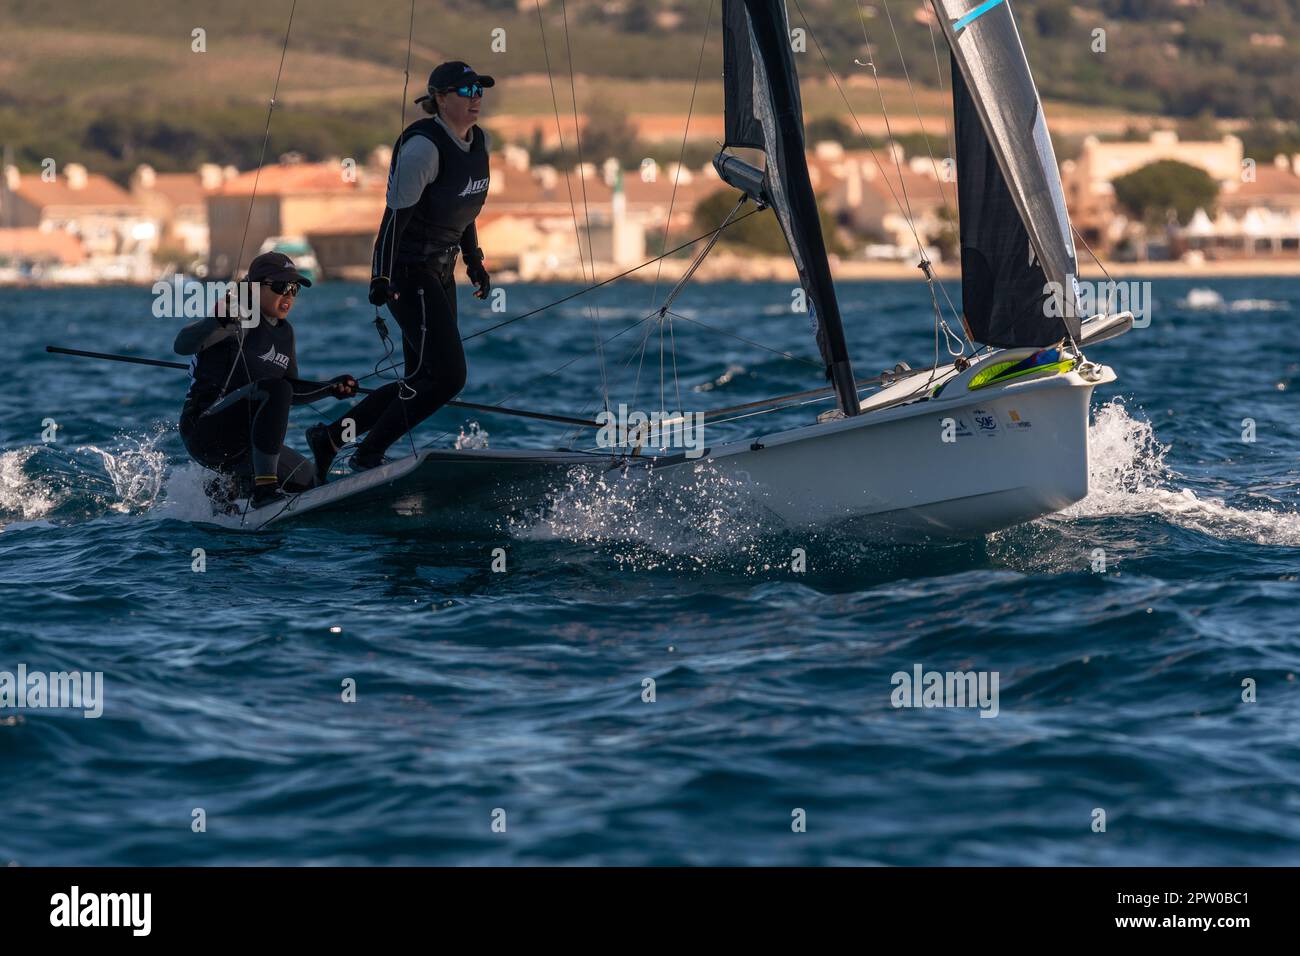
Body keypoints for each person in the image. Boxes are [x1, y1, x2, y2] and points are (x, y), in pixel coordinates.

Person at [306, 60, 493, 475]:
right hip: (409, 273)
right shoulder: (423, 148)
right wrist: (380, 276)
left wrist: (474, 259)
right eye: (465, 92)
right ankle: (367, 454)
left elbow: (464, 204)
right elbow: (394, 221)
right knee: (446, 378)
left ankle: (332, 438)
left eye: (479, 90)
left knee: (421, 378)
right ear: (440, 100)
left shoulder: (477, 142)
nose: (475, 98)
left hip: (442, 272)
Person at [175, 251, 359, 508]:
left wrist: (330, 388)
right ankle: (264, 489)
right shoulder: (238, 315)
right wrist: (214, 322)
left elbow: (291, 392)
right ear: (254, 287)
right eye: (281, 286)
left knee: (307, 482)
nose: (289, 295)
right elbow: (182, 345)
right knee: (275, 389)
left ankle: (229, 489)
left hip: (245, 442)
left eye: (295, 289)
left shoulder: (286, 333)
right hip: (204, 431)